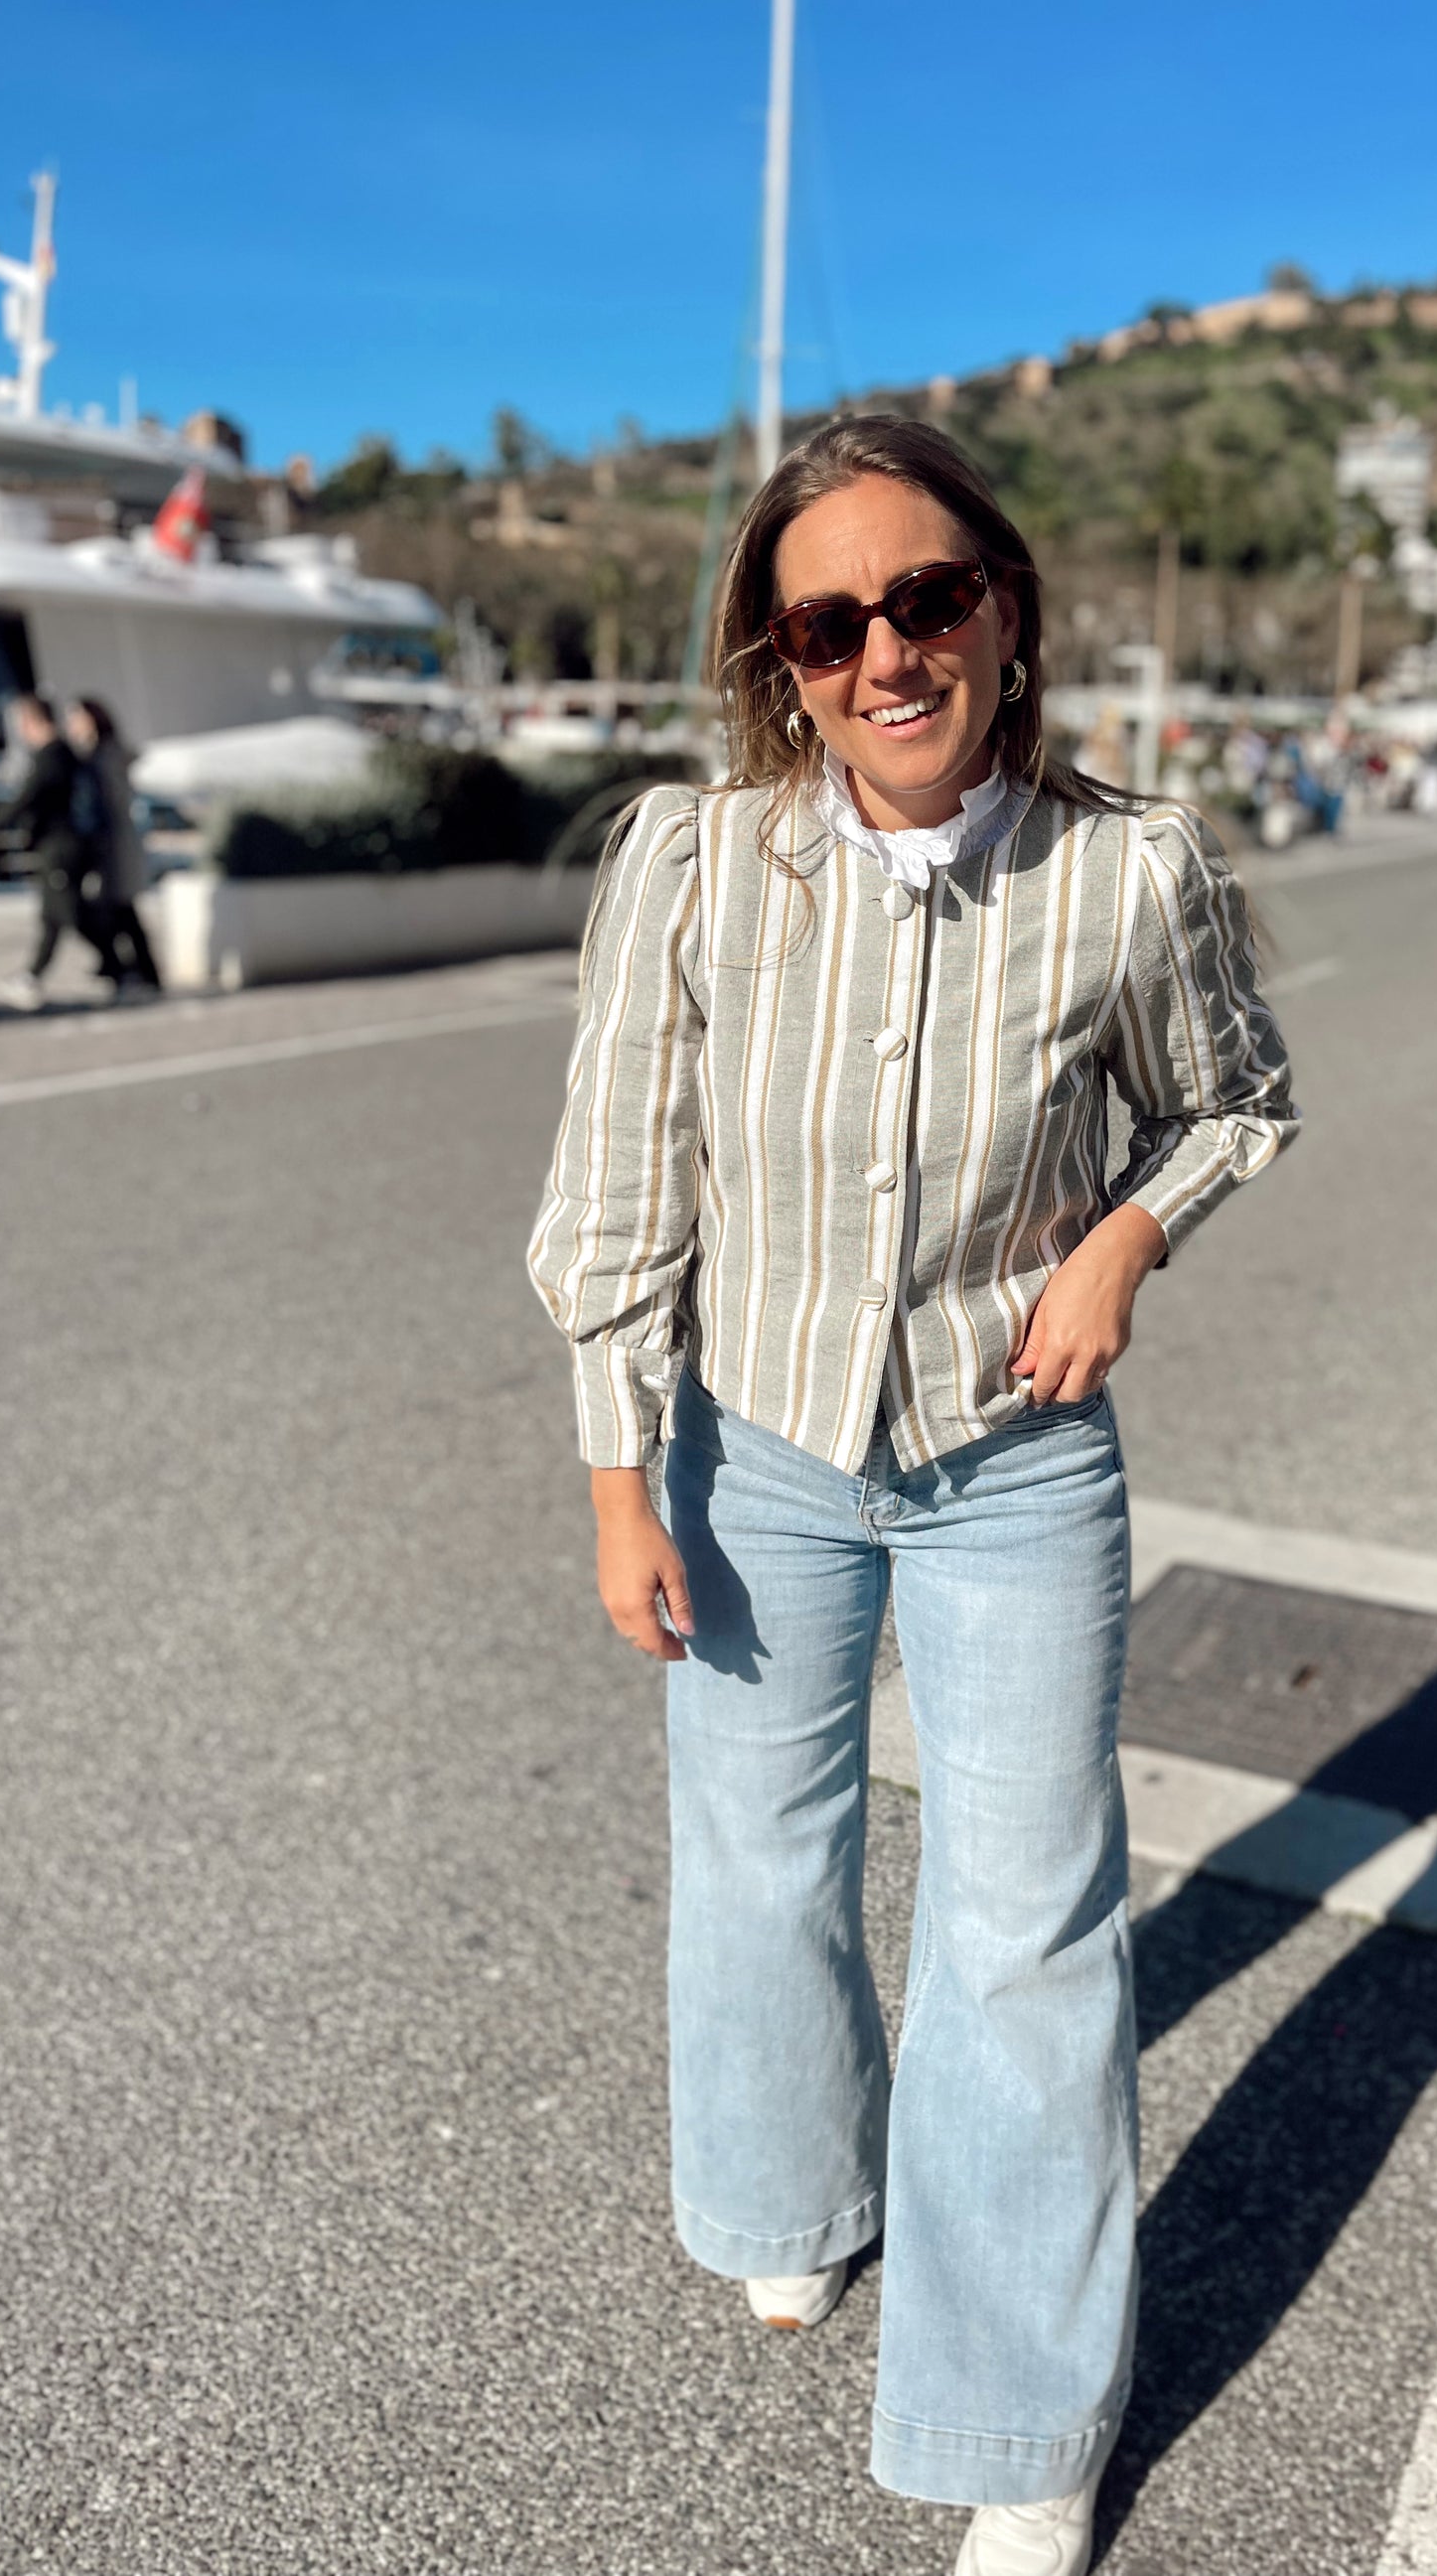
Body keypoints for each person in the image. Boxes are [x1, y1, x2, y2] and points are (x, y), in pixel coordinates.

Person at [527, 415, 1295, 2576]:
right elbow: (615, 1196)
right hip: (749, 1449)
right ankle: (791, 2194)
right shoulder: (690, 863)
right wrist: (618, 1480)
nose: (886, 652)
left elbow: (1235, 1099)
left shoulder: (1130, 871)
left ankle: (1020, 2415)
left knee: (1022, 1924)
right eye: (828, 622)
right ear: (777, 660)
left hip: (1011, 1460)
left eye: (928, 599)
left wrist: (1124, 1239)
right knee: (760, 1856)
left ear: (1004, 615)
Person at [0, 694, 123, 1010]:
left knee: (69, 913)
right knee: (53, 916)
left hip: (62, 847)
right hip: (62, 846)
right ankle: (33, 976)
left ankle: (120, 965)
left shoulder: (52, 756)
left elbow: (24, 801)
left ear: (30, 721)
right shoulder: (60, 753)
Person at [64, 697, 161, 992]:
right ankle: (135, 970)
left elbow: (111, 803)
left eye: (76, 718)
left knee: (119, 910)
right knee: (121, 911)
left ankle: (134, 971)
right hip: (110, 844)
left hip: (114, 844)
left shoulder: (105, 756)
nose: (71, 725)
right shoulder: (96, 755)